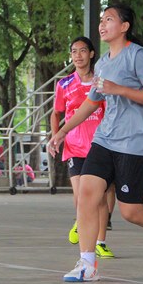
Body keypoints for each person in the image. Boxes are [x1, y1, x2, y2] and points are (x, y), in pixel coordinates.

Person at [49, 4, 143, 282]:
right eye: (101, 20)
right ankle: (87, 263)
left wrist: (118, 89)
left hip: (134, 143)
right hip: (105, 139)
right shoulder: (103, 64)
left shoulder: (138, 56)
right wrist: (62, 131)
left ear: (124, 27)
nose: (102, 24)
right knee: (87, 194)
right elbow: (91, 103)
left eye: (109, 19)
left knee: (130, 211)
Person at [50, 36, 114, 259]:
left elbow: (110, 111)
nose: (78, 56)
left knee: (102, 198)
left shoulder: (102, 83)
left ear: (92, 54)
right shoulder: (64, 84)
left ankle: (101, 241)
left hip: (100, 145)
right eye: (74, 52)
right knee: (82, 197)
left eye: (83, 51)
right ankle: (81, 220)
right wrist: (56, 136)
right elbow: (56, 113)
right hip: (75, 147)